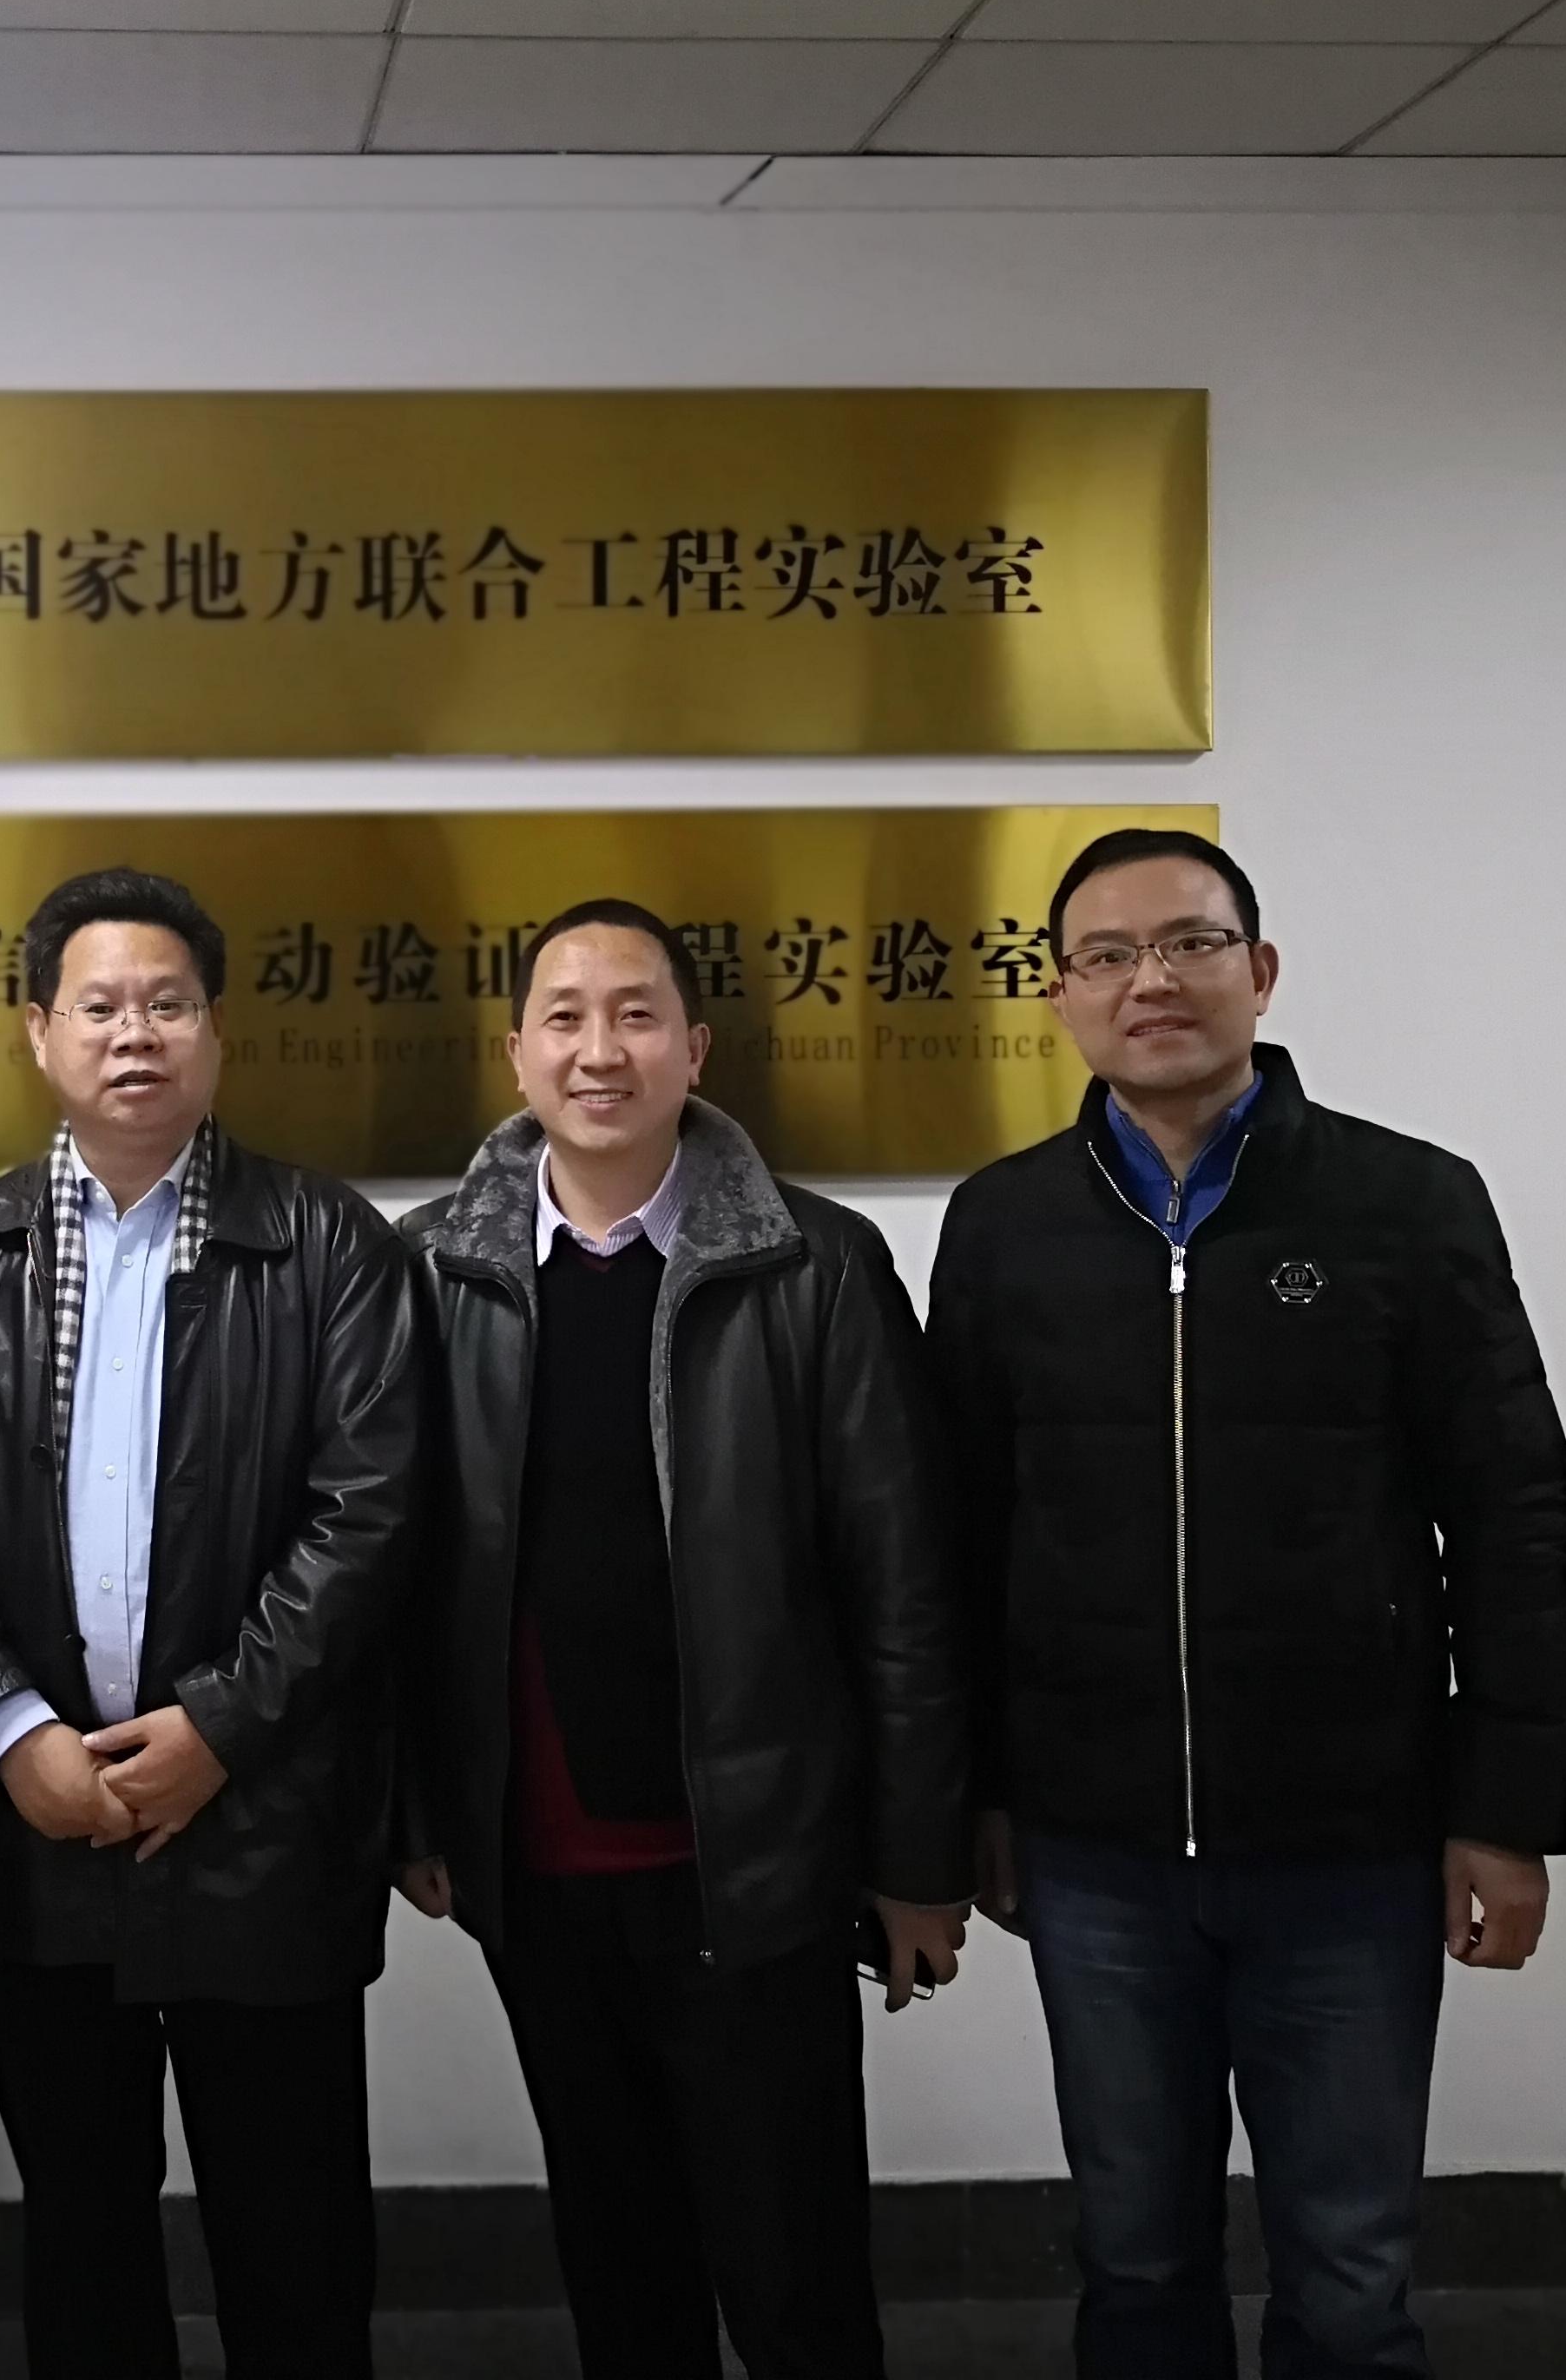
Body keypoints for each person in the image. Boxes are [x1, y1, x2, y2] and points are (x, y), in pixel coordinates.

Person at [928, 828, 1566, 2380]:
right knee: (1135, 2258)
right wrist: (974, 1796)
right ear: (1060, 995)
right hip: (1093, 1850)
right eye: (1106, 955)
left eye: (1191, 943)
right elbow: (956, 1536)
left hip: (1352, 1842)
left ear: (1261, 971)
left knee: (1349, 2271)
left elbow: (1511, 1517)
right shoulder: (1004, 1223)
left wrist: (1505, 1811)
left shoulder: (1406, 1203)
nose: (1150, 980)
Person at [392, 898, 969, 2379]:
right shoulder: (430, 1274)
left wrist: (918, 1858)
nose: (601, 1050)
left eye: (637, 1014)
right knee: (618, 2258)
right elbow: (394, 1578)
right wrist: (421, 1814)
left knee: (794, 2277)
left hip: (756, 1873)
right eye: (566, 1017)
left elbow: (902, 1582)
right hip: (536, 1869)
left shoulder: (816, 1265)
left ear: (696, 1049)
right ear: (516, 1051)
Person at [0, 866, 422, 2380]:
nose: (135, 1034)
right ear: (38, 1031)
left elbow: (368, 1514)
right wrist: (10, 1733)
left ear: (215, 1031)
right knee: (82, 2228)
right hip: (39, 1825)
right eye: (100, 1005)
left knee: (294, 2237)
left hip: (265, 1825)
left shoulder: (330, 1245)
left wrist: (221, 1728)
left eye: (168, 1004)